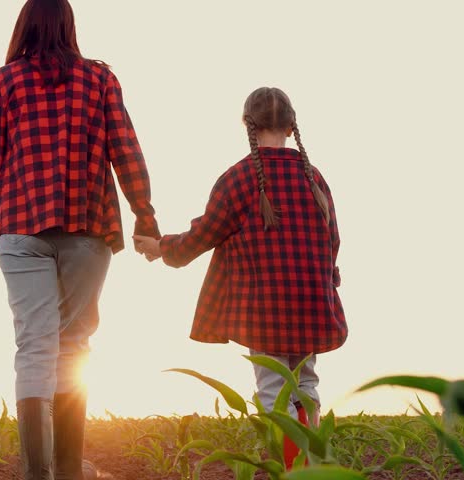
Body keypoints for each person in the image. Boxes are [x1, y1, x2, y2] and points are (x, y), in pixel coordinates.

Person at [0, 1, 160, 478]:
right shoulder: (100, 79)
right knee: (74, 344)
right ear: (70, 27)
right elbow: (126, 150)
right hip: (87, 227)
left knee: (34, 347)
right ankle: (70, 471)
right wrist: (144, 214)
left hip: (19, 225)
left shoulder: (3, 81)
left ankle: (38, 473)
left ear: (23, 28)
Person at [133, 87, 346, 467]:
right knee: (306, 384)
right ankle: (311, 467)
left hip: (264, 308)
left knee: (273, 389)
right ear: (291, 126)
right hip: (312, 301)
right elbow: (333, 240)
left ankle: (291, 469)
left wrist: (161, 247)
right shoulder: (313, 177)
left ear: (248, 124)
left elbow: (202, 235)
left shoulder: (238, 179)